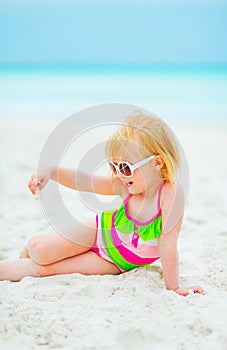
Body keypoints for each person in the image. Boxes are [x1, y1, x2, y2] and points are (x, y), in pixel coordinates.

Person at [0, 113, 205, 297]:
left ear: (157, 163)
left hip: (115, 261)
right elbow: (85, 182)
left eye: (125, 167)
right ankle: (29, 249)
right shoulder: (124, 185)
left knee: (45, 269)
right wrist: (52, 172)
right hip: (98, 231)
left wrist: (174, 287)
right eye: (114, 166)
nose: (118, 174)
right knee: (38, 251)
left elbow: (168, 243)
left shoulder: (170, 195)